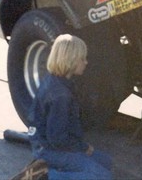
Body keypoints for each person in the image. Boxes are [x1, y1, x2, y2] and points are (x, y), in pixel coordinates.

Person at [27, 34, 113, 180]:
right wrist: (84, 148)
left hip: (45, 144)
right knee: (102, 175)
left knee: (106, 162)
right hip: (50, 150)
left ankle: (53, 169)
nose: (86, 62)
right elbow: (58, 139)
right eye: (82, 58)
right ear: (71, 60)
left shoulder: (54, 79)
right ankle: (46, 176)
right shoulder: (61, 95)